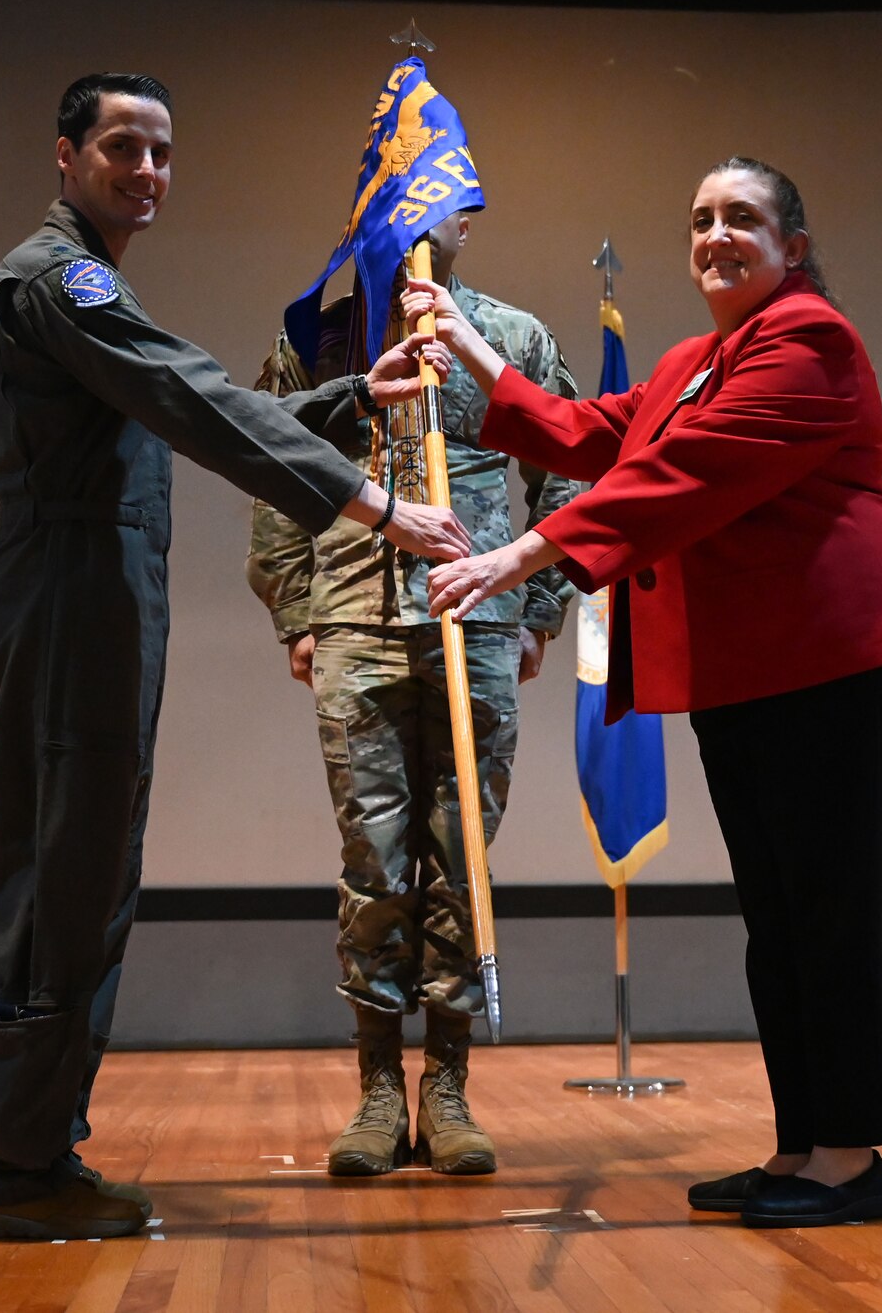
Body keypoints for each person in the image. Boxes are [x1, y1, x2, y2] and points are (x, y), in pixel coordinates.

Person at [0, 73, 471, 1244]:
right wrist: (372, 504)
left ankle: (35, 1146)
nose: (146, 171)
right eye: (121, 146)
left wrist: (341, 396)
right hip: (70, 593)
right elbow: (189, 398)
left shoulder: (93, 288)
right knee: (60, 876)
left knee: (90, 870)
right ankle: (2, 1160)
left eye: (163, 153)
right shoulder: (55, 277)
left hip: (99, 597)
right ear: (64, 155)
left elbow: (182, 397)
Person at [409, 157, 882, 1228]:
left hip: (833, 660)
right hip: (751, 669)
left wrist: (517, 555)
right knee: (776, 918)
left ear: (791, 248)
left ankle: (849, 1160)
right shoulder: (691, 361)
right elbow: (590, 434)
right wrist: (470, 346)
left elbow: (682, 475)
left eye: (743, 219)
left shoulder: (811, 342)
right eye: (701, 219)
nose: (715, 235)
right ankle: (802, 1146)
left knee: (824, 912)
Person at [247, 211, 583, 1178]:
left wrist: (537, 607)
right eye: (399, 203)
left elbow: (565, 476)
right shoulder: (320, 340)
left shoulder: (511, 340)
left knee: (461, 846)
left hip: (472, 624)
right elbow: (271, 467)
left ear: (469, 214)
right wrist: (298, 608)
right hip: (355, 619)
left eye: (440, 202)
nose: (422, 224)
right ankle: (378, 1089)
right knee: (374, 856)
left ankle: (446, 1083)